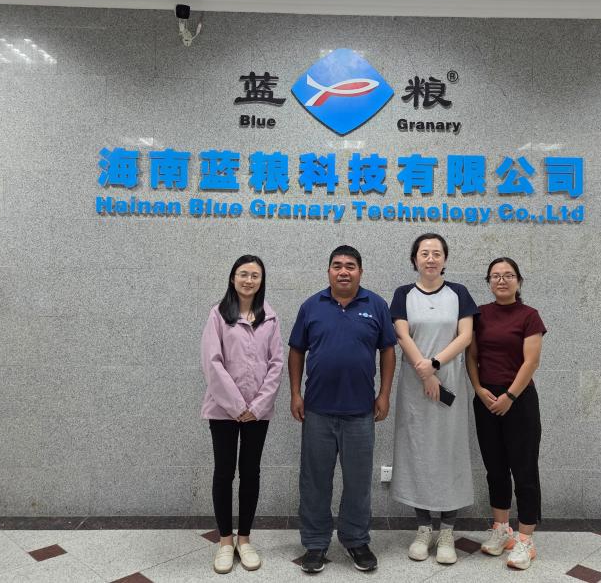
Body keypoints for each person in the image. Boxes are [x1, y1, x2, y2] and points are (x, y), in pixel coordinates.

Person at [289, 245, 397, 574]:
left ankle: (355, 540)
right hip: (317, 411)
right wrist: (295, 393)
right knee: (314, 481)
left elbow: (388, 351)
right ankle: (315, 543)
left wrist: (384, 394)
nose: (343, 271)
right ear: (329, 271)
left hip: (361, 412)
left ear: (360, 272)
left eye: (350, 266)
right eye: (337, 265)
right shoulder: (311, 306)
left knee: (358, 482)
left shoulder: (376, 305)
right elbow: (296, 351)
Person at [389, 233, 478, 564]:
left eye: (436, 253)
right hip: (415, 386)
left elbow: (465, 336)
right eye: (424, 253)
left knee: (449, 452)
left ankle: (447, 532)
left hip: (449, 380)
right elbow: (402, 335)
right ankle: (424, 528)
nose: (430, 259)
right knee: (418, 452)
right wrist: (425, 374)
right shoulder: (403, 294)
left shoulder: (459, 293)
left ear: (445, 259)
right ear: (414, 259)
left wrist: (435, 365)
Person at [201, 255, 284, 574]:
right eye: (243, 274)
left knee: (250, 472)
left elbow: (276, 364)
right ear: (232, 278)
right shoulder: (218, 315)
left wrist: (257, 406)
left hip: (257, 412)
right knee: (224, 472)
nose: (249, 280)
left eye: (255, 275)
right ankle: (225, 541)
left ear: (262, 281)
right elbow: (212, 362)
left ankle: (245, 539)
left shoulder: (270, 318)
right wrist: (237, 406)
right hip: (223, 409)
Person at [466, 257, 546, 571]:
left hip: (519, 401)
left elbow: (531, 361)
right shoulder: (479, 315)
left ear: (519, 281)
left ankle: (526, 539)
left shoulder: (529, 316)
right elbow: (472, 356)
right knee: (495, 468)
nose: (502, 280)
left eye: (508, 275)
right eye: (496, 276)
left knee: (524, 469)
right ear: (489, 282)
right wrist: (477, 388)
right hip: (486, 400)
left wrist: (510, 396)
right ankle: (502, 530)